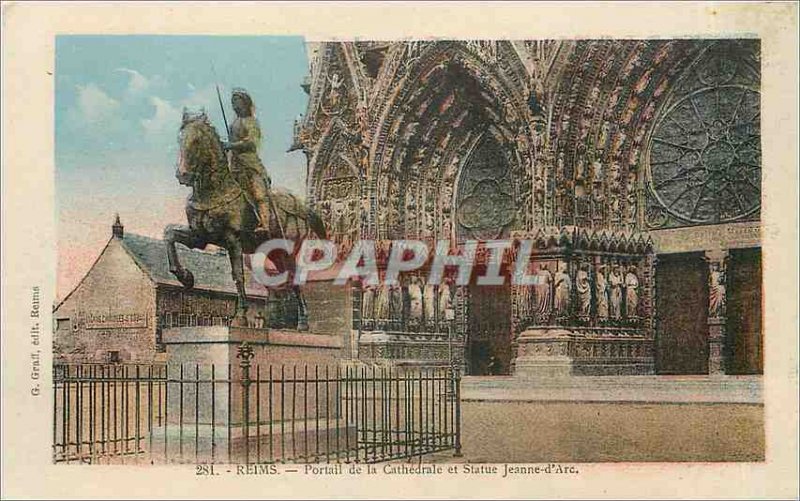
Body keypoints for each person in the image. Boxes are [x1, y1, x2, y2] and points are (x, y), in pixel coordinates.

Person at [223, 88, 272, 232]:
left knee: (259, 193)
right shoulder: (233, 124)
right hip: (235, 166)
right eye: (233, 102)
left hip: (250, 165)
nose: (235, 105)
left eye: (237, 101)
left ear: (245, 103)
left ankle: (265, 223)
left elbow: (251, 142)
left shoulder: (251, 121)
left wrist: (231, 145)